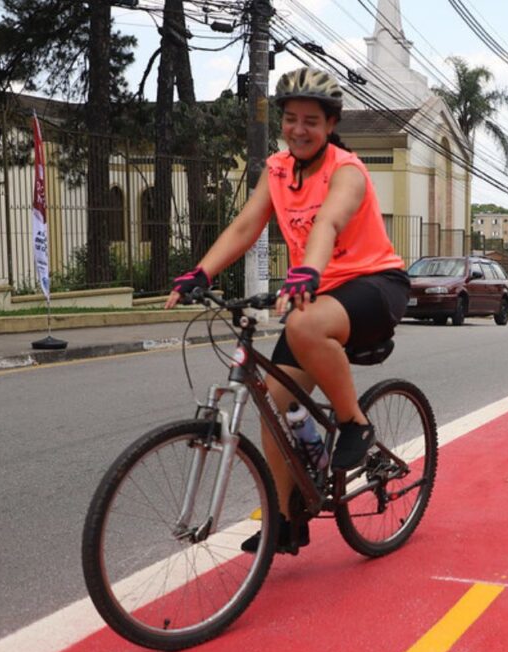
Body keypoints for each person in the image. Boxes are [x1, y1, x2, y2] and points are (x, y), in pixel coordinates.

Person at [165, 67, 410, 554]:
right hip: (317, 291)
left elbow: (328, 223)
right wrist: (201, 273)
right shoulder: (276, 169)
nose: (299, 130)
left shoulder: (347, 171)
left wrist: (307, 272)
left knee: (304, 320)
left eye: (312, 121)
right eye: (291, 119)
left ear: (331, 124)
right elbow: (246, 225)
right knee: (273, 405)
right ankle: (286, 519)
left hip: (373, 285)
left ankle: (355, 422)